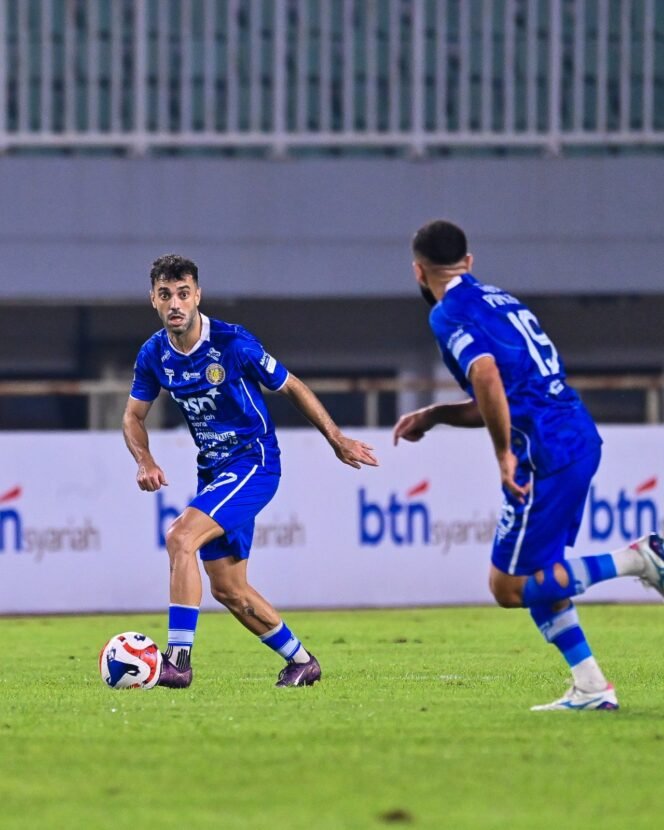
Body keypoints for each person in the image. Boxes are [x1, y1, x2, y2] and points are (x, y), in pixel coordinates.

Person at [393, 219, 664, 711]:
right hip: (574, 435)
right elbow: (493, 393)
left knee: (509, 586)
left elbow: (487, 376)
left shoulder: (449, 313)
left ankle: (638, 559)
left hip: (545, 453)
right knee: (537, 574)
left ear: (418, 272)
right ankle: (591, 687)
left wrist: (503, 454)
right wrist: (435, 415)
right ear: (468, 262)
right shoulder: (501, 300)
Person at [123, 254, 378, 689]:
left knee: (180, 537)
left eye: (183, 293)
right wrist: (144, 460)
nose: (175, 304)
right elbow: (132, 417)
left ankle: (178, 662)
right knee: (228, 588)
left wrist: (337, 438)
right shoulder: (154, 354)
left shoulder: (233, 344)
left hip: (253, 462)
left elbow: (292, 385)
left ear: (197, 295)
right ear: (153, 299)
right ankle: (301, 662)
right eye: (166, 295)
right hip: (213, 472)